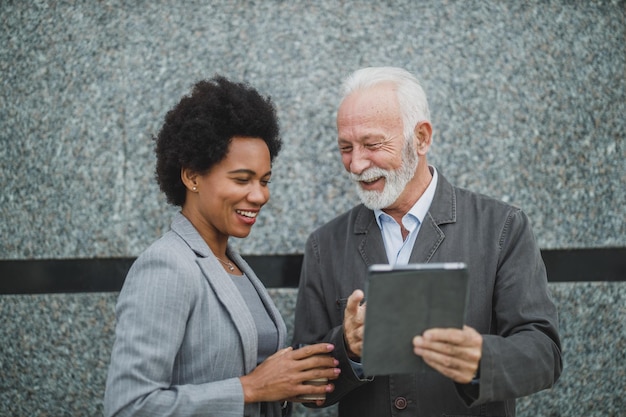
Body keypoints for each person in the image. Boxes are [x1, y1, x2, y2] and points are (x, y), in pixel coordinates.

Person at [292, 67, 562, 416]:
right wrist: (348, 348)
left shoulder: (502, 227)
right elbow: (306, 387)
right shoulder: (323, 245)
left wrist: (480, 360)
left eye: (372, 144)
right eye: (346, 148)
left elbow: (545, 353)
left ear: (421, 138)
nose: (356, 164)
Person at [104, 76, 340, 417]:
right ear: (192, 177)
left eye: (265, 181)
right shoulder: (166, 267)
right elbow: (128, 407)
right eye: (242, 179)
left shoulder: (232, 264)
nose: (259, 195)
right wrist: (251, 389)